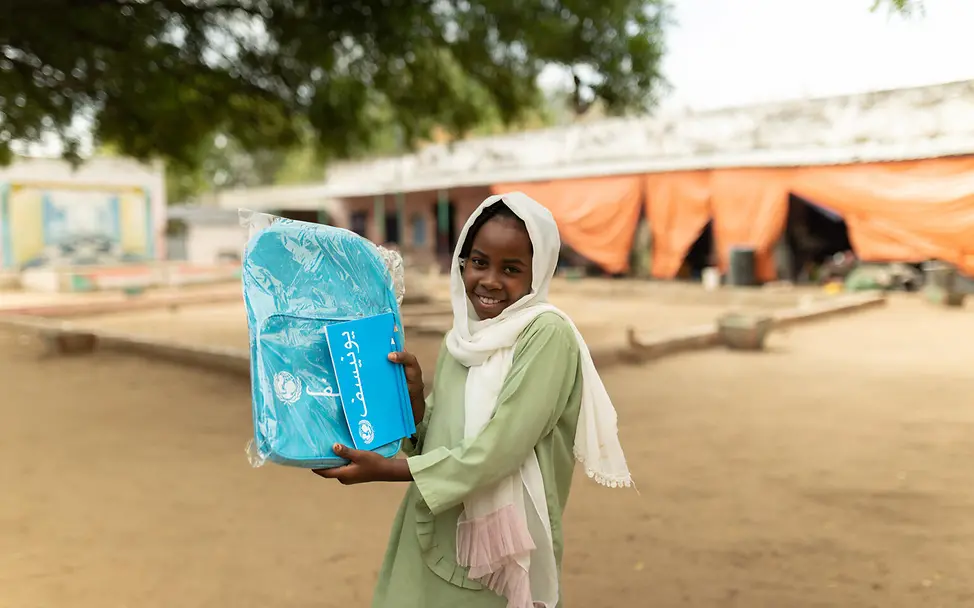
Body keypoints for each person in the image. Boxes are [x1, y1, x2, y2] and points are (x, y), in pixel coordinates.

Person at [314, 192, 633, 608]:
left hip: (497, 551)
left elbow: (501, 448)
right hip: (431, 524)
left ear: (539, 273)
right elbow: (436, 438)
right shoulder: (462, 339)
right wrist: (412, 403)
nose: (490, 280)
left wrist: (392, 470)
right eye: (479, 262)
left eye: (512, 268)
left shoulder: (547, 335)